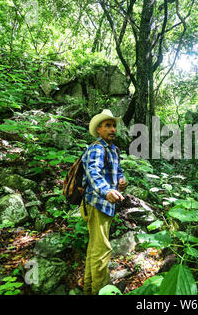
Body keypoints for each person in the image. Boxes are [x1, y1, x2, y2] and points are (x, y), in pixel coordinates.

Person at [80, 109, 128, 295]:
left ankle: (89, 289)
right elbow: (93, 172)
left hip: (106, 205)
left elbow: (119, 172)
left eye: (114, 125)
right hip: (97, 203)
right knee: (102, 251)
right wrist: (106, 190)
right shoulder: (97, 148)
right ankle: (102, 291)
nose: (112, 129)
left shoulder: (113, 150)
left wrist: (122, 181)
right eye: (107, 125)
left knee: (95, 249)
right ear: (98, 130)